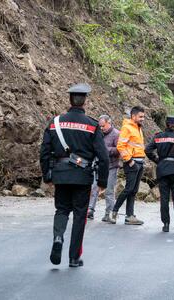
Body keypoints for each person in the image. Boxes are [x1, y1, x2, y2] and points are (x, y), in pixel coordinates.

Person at [40, 83, 109, 267]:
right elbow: (103, 156)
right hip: (82, 177)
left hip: (60, 175)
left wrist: (47, 175)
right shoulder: (93, 125)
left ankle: (58, 237)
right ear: (84, 101)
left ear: (70, 99)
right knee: (80, 215)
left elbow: (44, 151)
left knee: (61, 209)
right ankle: (73, 257)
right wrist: (102, 181)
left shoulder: (55, 123)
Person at [145, 116, 174, 233]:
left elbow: (147, 150)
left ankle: (166, 224)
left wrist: (157, 160)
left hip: (162, 170)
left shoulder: (158, 136)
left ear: (166, 124)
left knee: (164, 198)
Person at [110, 106, 146, 225]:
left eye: (143, 117)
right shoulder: (127, 128)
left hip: (139, 162)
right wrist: (130, 161)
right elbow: (121, 146)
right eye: (140, 117)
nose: (142, 119)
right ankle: (114, 211)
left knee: (134, 190)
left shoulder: (138, 128)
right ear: (133, 116)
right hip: (132, 163)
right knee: (129, 189)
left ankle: (129, 216)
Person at [87, 115, 120, 222]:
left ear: (109, 123)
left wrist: (105, 150)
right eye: (100, 126)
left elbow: (119, 150)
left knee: (109, 191)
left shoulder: (116, 134)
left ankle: (109, 214)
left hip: (111, 166)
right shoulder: (97, 133)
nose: (101, 128)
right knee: (93, 188)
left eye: (103, 126)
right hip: (98, 166)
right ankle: (90, 210)